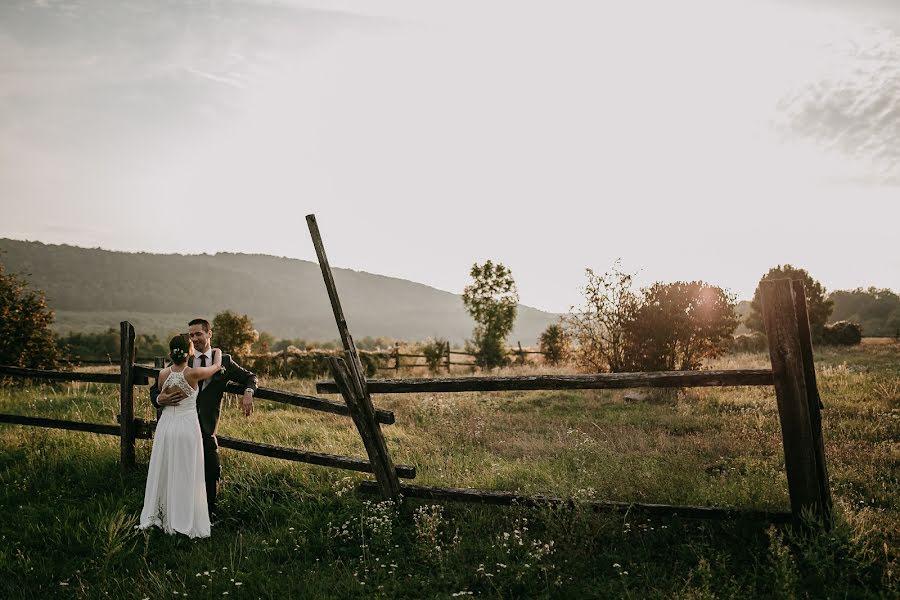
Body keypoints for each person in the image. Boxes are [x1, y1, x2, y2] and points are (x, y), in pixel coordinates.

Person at [150, 318, 258, 521]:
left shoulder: (224, 361)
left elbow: (250, 376)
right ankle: (178, 512)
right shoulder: (184, 360)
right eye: (191, 335)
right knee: (180, 471)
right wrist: (159, 398)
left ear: (209, 334)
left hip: (206, 428)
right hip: (182, 426)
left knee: (211, 470)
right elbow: (155, 389)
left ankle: (206, 514)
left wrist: (248, 392)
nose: (194, 338)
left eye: (198, 334)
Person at [139, 334, 222, 537]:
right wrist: (218, 355)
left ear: (170, 353)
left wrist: (162, 397)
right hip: (186, 427)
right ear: (190, 352)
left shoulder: (162, 374)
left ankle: (163, 513)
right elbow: (215, 368)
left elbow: (161, 393)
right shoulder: (193, 374)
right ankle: (184, 515)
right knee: (187, 471)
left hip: (167, 425)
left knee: (165, 468)